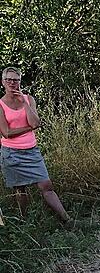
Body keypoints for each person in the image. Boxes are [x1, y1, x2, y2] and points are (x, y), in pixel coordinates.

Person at [0, 67, 73, 228]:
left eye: (16, 80)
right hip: (11, 153)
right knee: (20, 189)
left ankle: (67, 220)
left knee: (46, 185)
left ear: (20, 81)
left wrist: (24, 103)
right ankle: (25, 222)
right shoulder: (1, 104)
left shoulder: (28, 99)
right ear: (3, 82)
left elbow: (36, 122)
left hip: (31, 150)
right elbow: (6, 133)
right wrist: (29, 128)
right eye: (9, 80)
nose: (13, 83)